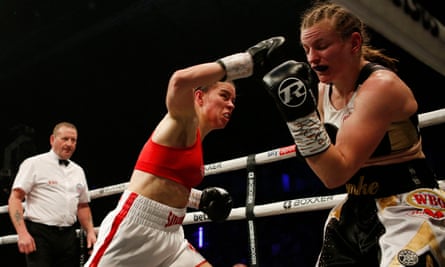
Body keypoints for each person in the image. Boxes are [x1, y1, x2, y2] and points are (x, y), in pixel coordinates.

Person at [262, 1, 445, 266]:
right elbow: (326, 160)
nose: (312, 58)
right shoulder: (325, 90)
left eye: (322, 46)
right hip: (354, 208)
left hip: (408, 206)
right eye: (306, 49)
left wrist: (297, 116)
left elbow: (334, 173)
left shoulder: (381, 87)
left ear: (354, 43)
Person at [84, 36, 285, 267]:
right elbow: (179, 81)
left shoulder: (196, 138)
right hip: (135, 231)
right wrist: (245, 62)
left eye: (233, 100)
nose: (231, 104)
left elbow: (165, 181)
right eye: (224, 96)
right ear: (199, 97)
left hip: (172, 234)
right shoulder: (182, 121)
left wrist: (199, 199)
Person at [8, 121, 97, 267]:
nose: (69, 144)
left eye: (73, 140)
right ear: (52, 140)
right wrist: (22, 233)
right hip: (40, 234)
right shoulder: (34, 164)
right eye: (65, 139)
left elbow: (82, 205)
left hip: (68, 236)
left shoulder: (78, 171)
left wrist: (90, 232)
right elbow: (15, 199)